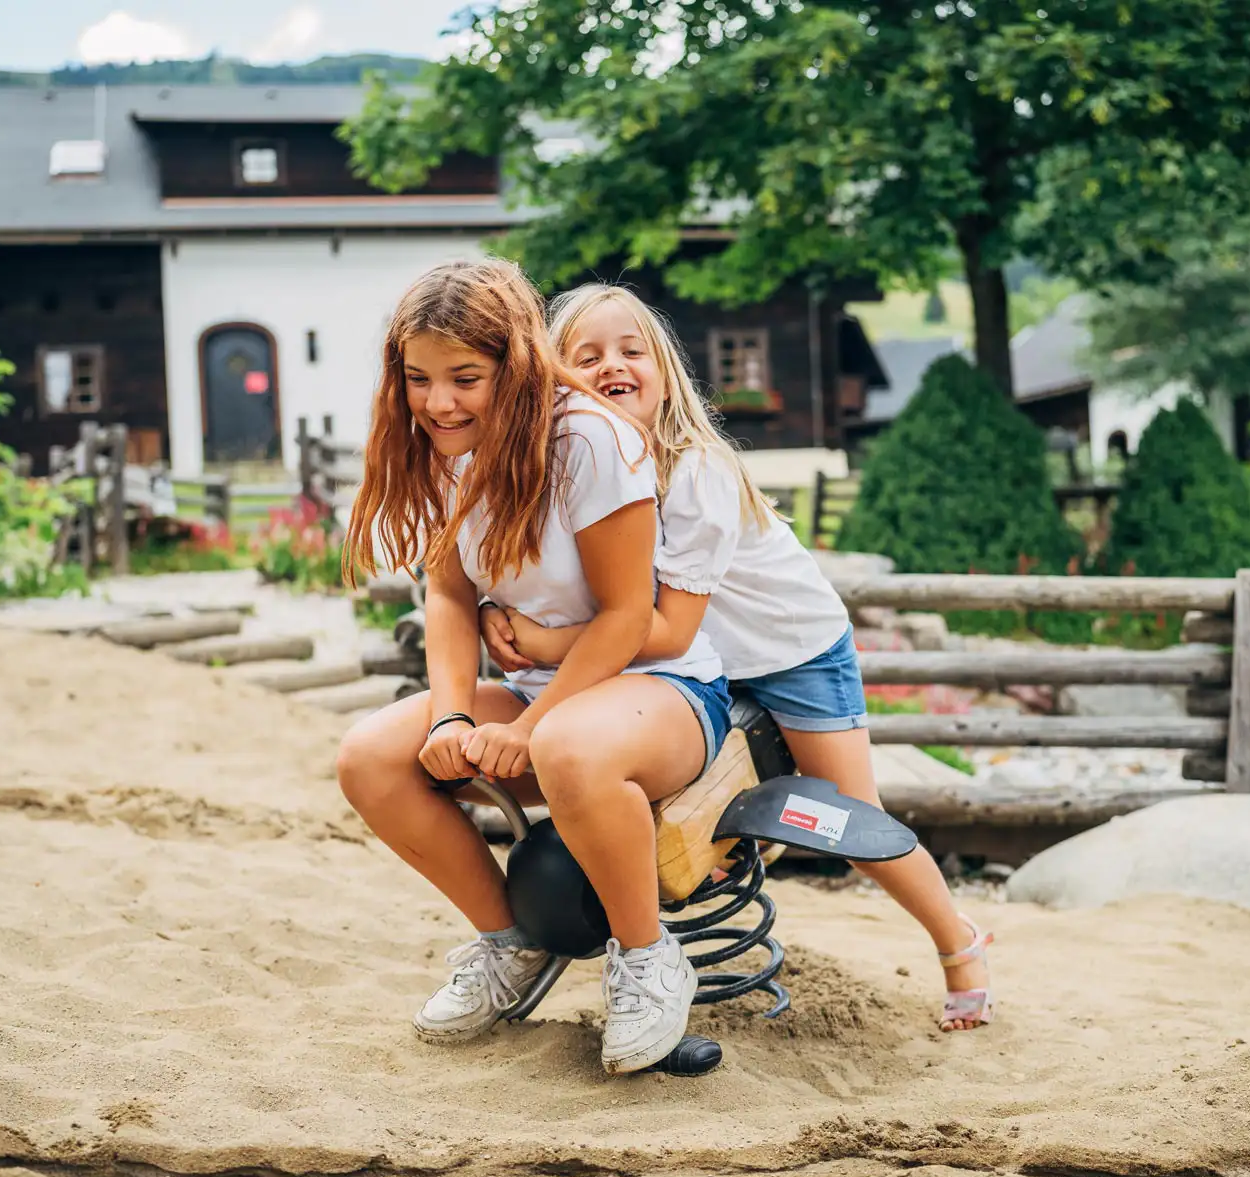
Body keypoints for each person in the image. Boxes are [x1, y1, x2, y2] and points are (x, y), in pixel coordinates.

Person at [482, 283, 993, 1031]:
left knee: (847, 819)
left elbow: (663, 626)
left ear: (664, 369)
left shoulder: (694, 470)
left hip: (788, 651)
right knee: (667, 792)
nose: (612, 365)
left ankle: (959, 941)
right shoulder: (578, 474)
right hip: (694, 668)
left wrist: (540, 642)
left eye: (632, 351)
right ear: (556, 383)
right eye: (585, 357)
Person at [336, 259, 734, 1074]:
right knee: (370, 758)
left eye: (465, 378)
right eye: (418, 379)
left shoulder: (590, 439)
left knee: (566, 748)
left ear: (515, 365)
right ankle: (509, 944)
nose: (438, 402)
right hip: (536, 694)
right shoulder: (448, 449)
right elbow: (447, 596)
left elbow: (628, 617)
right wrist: (452, 715)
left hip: (666, 695)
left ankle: (648, 958)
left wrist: (531, 724)